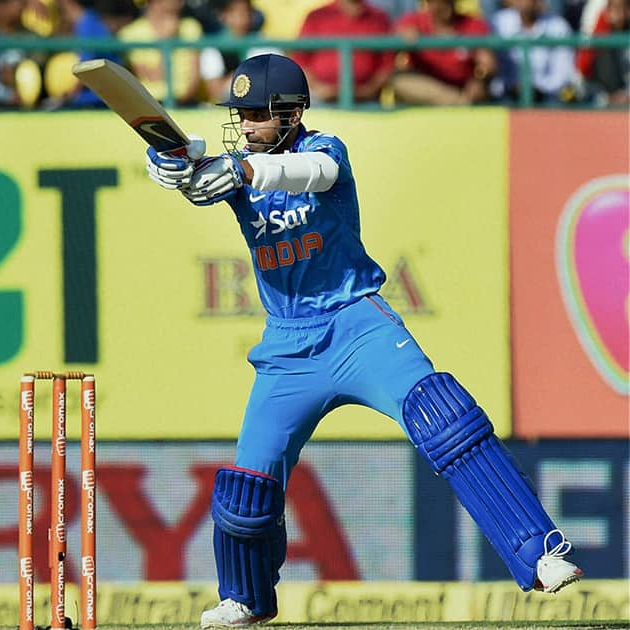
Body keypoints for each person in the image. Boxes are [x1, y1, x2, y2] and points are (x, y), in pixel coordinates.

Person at [144, 53, 583, 628]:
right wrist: (173, 166)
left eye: (258, 114)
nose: (246, 126)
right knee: (247, 487)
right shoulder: (238, 166)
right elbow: (200, 185)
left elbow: (312, 176)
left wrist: (245, 171)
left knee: (446, 419)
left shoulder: (325, 151)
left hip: (357, 324)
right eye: (240, 115)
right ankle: (247, 598)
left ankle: (538, 553)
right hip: (287, 348)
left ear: (293, 112)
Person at [390, 0, 497, 105]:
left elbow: (487, 64)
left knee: (481, 90)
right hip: (423, 87)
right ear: (428, 3)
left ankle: (459, 103)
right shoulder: (414, 21)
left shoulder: (472, 24)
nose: (446, 7)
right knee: (400, 80)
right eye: (439, 2)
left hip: (462, 88)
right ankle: (460, 103)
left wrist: (479, 80)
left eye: (449, 2)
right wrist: (402, 37)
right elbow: (394, 40)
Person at [290, 0, 396, 104]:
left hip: (366, 102)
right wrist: (318, 88)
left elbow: (387, 65)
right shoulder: (316, 16)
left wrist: (367, 91)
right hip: (318, 99)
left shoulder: (379, 18)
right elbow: (300, 61)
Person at [491, 0, 579, 102]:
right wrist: (512, 86)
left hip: (547, 97)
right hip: (506, 95)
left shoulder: (558, 26)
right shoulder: (497, 23)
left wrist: (538, 89)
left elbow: (563, 75)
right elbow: (495, 72)